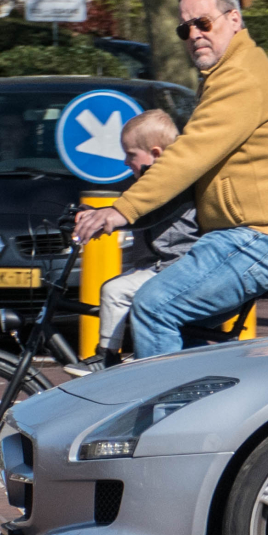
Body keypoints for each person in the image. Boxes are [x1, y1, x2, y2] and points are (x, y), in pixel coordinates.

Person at [69, 0, 268, 357]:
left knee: (155, 306)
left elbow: (189, 154)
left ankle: (168, 414)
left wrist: (121, 211)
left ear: (234, 19)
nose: (195, 34)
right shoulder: (228, 74)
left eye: (204, 22)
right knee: (189, 338)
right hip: (240, 237)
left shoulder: (241, 77)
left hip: (264, 238)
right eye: (185, 29)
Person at [83, 110, 198, 365]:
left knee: (115, 291)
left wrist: (107, 220)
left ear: (156, 154)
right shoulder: (151, 183)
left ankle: (107, 358)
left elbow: (141, 214)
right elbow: (125, 203)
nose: (126, 162)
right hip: (159, 264)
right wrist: (93, 213)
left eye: (131, 155)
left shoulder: (169, 183)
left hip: (174, 265)